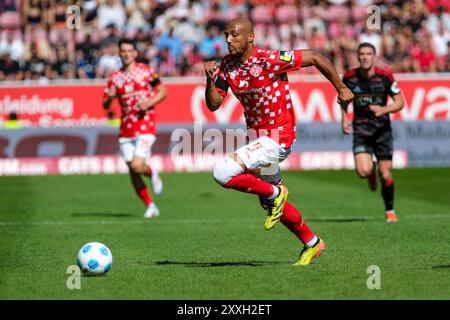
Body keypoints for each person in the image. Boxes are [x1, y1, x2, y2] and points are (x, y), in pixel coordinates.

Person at [204, 17, 354, 266]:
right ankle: (312, 243)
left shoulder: (269, 59)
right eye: (226, 36)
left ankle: (276, 192)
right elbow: (214, 104)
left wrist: (341, 88)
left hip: (278, 136)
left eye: (234, 35)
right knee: (271, 204)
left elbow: (315, 56)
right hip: (257, 138)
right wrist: (210, 79)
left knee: (222, 172)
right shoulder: (227, 65)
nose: (229, 41)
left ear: (250, 37)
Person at [103, 38, 167, 218]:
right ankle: (150, 206)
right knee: (132, 169)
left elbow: (163, 91)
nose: (126, 54)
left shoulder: (146, 72)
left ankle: (152, 171)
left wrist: (149, 102)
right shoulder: (115, 77)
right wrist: (109, 98)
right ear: (119, 53)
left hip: (145, 124)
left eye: (129, 50)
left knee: (138, 165)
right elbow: (106, 104)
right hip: (126, 129)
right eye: (123, 51)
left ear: (135, 53)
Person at [341, 43, 404, 223]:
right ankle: (369, 171)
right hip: (361, 129)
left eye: (369, 53)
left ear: (374, 57)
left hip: (382, 131)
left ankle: (390, 210)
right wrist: (344, 118)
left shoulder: (385, 76)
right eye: (361, 54)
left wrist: (384, 109)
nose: (365, 57)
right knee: (362, 171)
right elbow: (344, 100)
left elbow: (400, 102)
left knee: (385, 174)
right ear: (358, 57)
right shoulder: (350, 77)